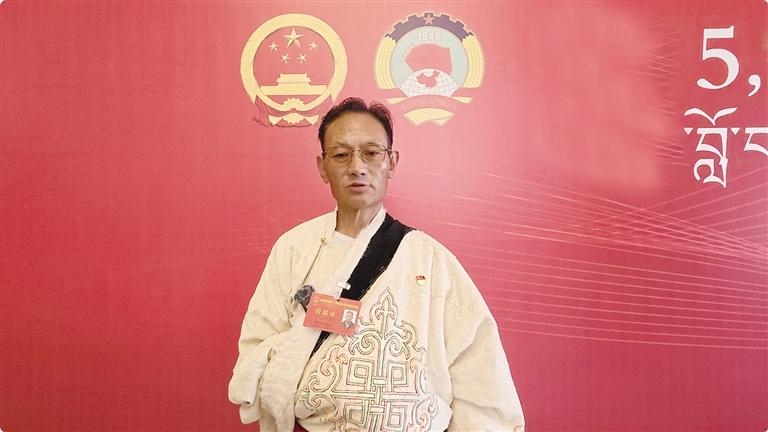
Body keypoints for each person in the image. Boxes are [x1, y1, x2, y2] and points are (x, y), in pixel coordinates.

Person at [228, 97, 524, 431]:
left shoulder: (430, 259)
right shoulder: (294, 249)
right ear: (322, 167)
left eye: (371, 153)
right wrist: (302, 345)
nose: (357, 167)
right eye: (341, 155)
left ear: (391, 162)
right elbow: (256, 348)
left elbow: (479, 371)